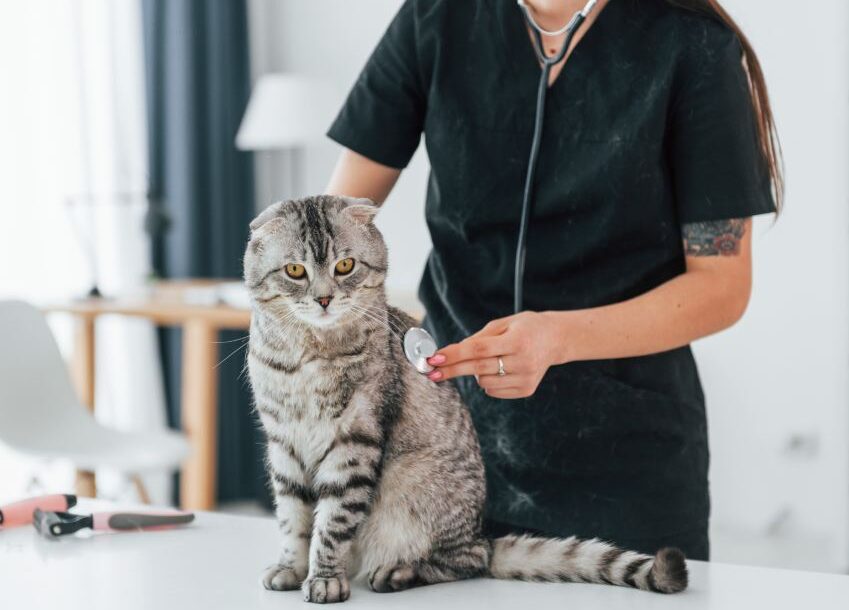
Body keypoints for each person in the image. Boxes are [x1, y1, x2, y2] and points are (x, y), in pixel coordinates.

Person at [324, 0, 781, 561]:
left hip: (624, 467)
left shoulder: (693, 43)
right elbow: (334, 225)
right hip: (443, 455)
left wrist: (558, 338)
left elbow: (721, 286)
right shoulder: (435, 17)